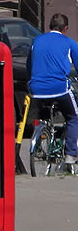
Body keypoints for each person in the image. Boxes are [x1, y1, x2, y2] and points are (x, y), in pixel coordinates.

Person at [27, 12, 78, 169]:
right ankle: (70, 156)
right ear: (66, 28)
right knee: (73, 117)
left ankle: (43, 131)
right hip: (58, 88)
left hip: (35, 88)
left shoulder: (36, 41)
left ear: (49, 26)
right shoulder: (69, 43)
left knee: (44, 113)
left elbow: (29, 65)